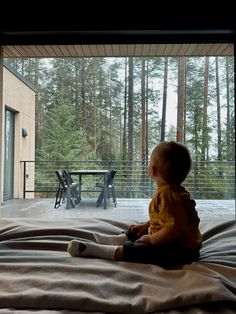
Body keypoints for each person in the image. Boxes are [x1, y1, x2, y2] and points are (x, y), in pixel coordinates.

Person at [67, 141, 202, 267]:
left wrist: (151, 239)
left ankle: (98, 251)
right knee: (137, 231)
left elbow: (175, 228)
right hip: (171, 241)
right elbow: (167, 220)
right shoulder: (174, 192)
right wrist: (146, 226)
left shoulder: (169, 196)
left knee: (141, 251)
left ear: (153, 170)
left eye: (149, 162)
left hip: (181, 251)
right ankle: (118, 239)